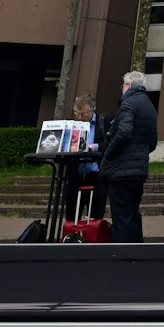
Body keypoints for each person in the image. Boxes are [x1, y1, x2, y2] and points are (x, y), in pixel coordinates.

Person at [97, 71, 156, 244]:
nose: (121, 88)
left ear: (129, 86)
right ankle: (137, 252)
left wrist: (108, 154)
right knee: (133, 214)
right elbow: (152, 141)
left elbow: (123, 133)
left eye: (123, 84)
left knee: (121, 216)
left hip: (121, 170)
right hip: (139, 170)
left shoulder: (128, 104)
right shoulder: (149, 106)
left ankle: (121, 255)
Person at [65, 95, 98, 228]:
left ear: (92, 110)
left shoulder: (102, 122)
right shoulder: (73, 125)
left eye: (83, 114)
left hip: (95, 174)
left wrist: (96, 147)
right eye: (77, 113)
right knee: (72, 215)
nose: (79, 117)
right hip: (75, 174)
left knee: (94, 215)